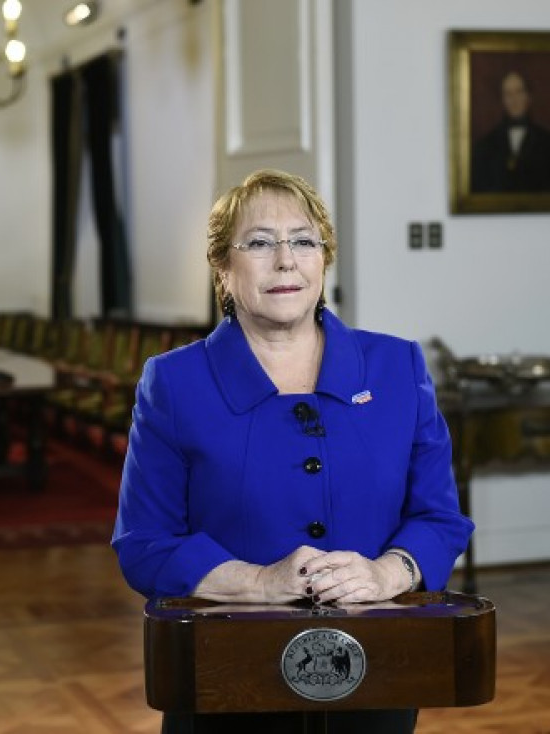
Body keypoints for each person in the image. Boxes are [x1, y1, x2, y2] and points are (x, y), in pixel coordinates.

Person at [112, 169, 475, 734]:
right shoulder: (174, 382)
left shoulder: (398, 367)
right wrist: (259, 583)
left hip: (377, 670)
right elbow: (144, 544)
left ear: (323, 260)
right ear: (222, 269)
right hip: (226, 676)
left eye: (303, 240)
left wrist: (385, 575)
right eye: (258, 242)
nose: (285, 260)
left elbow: (439, 518)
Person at [471, 70, 550, 193]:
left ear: (528, 97)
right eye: (508, 94)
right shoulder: (485, 145)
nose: (514, 100)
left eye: (519, 92)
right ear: (503, 99)